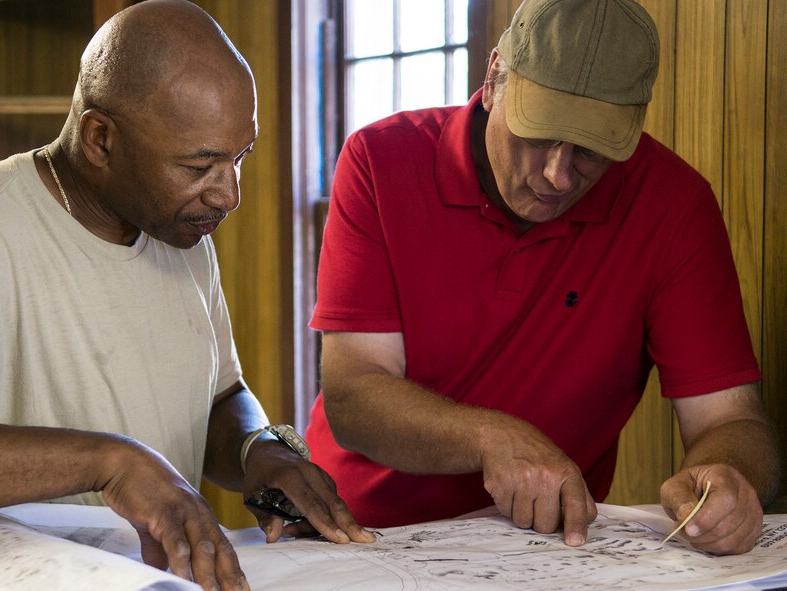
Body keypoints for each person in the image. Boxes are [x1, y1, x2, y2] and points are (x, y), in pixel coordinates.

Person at [0, 1, 374, 589]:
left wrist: (258, 450)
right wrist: (109, 463)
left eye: (239, 156)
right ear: (100, 138)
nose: (229, 194)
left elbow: (219, 395)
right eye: (200, 165)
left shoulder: (179, 231)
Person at [305, 0, 781, 557]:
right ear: (492, 79)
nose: (557, 175)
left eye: (591, 151)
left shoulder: (674, 206)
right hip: (357, 535)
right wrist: (493, 439)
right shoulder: (379, 161)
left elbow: (730, 420)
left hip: (544, 549)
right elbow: (353, 397)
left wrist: (726, 477)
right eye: (538, 134)